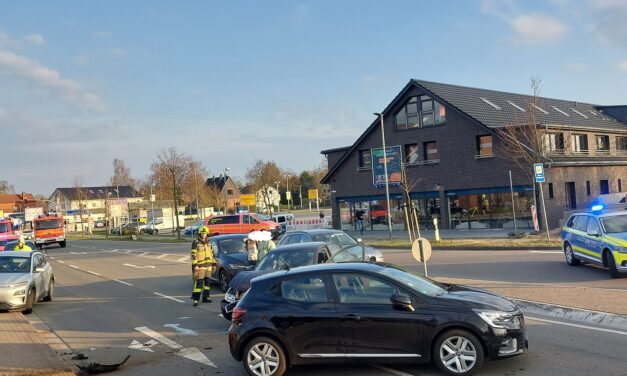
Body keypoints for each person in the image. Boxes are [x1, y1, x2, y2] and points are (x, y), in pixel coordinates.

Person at [190, 226, 216, 306]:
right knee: (199, 283)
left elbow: (212, 254)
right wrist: (196, 265)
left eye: (205, 233)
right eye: (202, 233)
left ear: (207, 234)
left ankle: (206, 298)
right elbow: (193, 254)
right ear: (200, 234)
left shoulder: (209, 242)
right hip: (200, 266)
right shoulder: (196, 242)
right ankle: (196, 300)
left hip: (209, 265)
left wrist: (214, 263)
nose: (204, 235)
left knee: (208, 283)